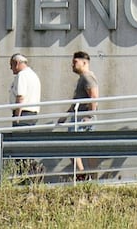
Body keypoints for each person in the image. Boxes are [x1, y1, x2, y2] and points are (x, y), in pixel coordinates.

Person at [58, 51, 99, 180]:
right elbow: (77, 100)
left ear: (84, 62)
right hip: (81, 116)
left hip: (83, 117)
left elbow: (94, 96)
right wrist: (66, 115)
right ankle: (90, 177)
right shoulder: (83, 78)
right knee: (89, 148)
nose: (73, 65)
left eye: (75, 62)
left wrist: (90, 115)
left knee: (71, 145)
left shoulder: (87, 77)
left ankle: (82, 174)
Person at [9, 53, 41, 127]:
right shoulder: (33, 75)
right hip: (33, 114)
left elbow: (20, 97)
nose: (11, 68)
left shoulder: (22, 75)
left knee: (18, 137)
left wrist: (17, 117)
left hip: (23, 114)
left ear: (16, 63)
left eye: (11, 64)